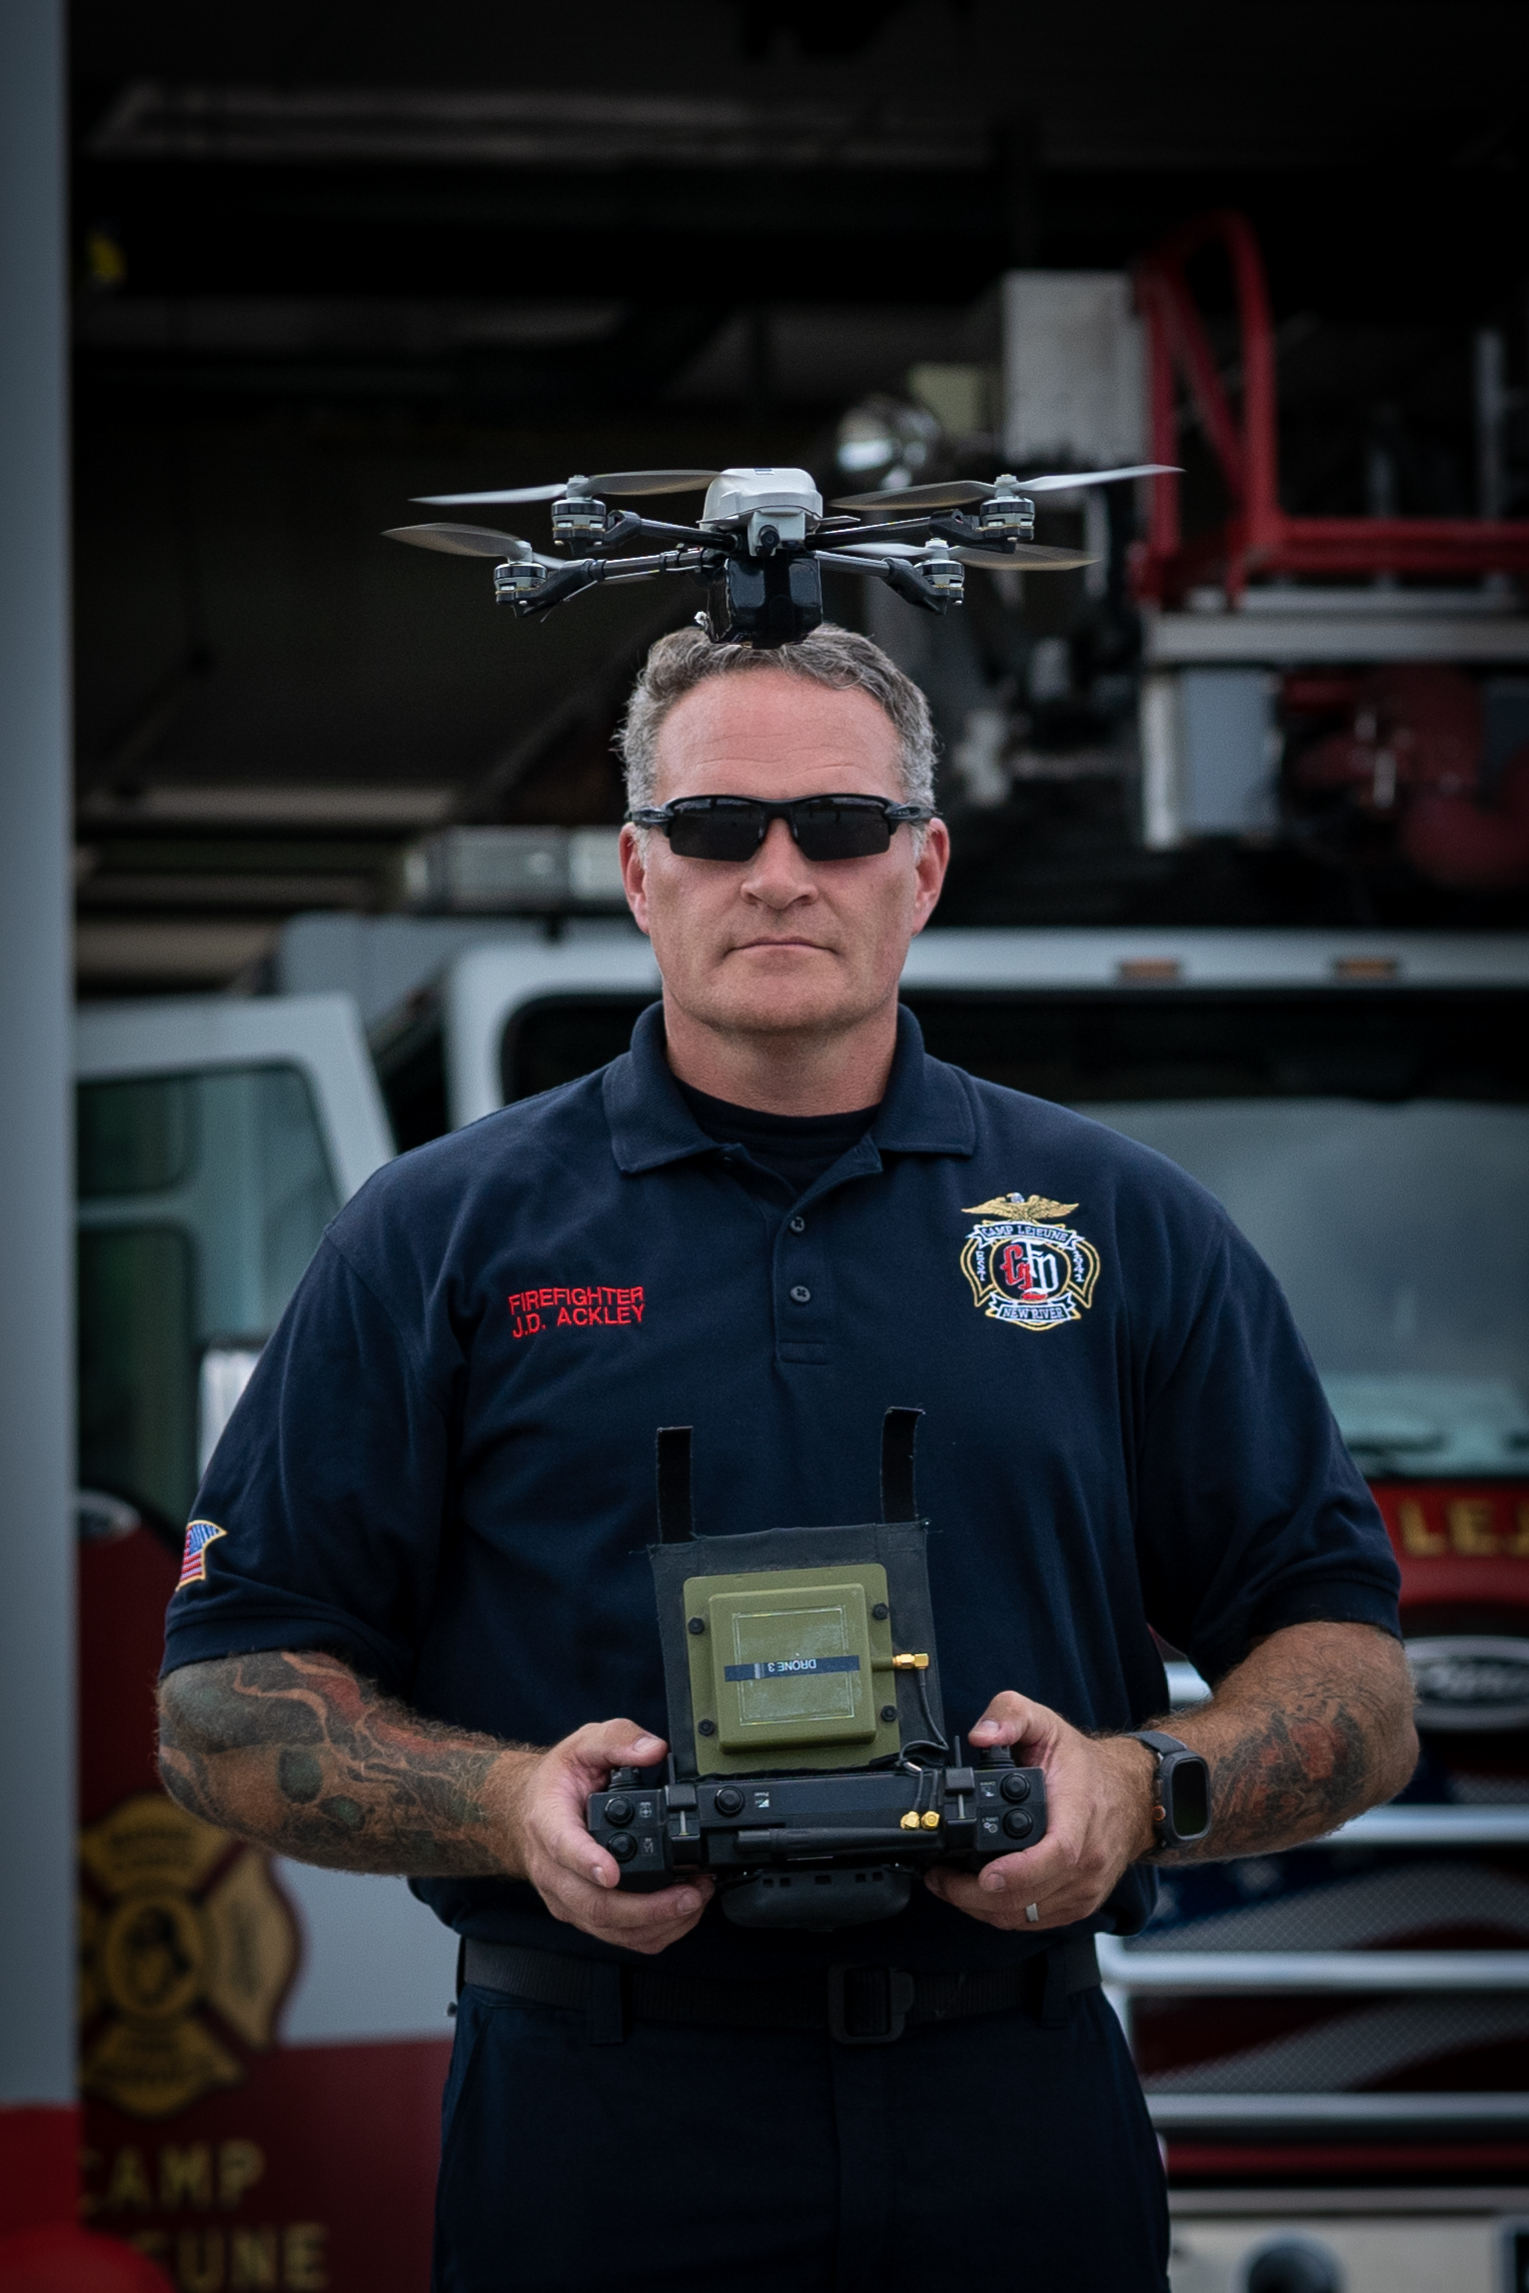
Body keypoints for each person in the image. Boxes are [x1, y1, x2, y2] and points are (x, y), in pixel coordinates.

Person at [157, 624, 1415, 2293]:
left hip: (1011, 2107)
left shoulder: (1117, 1227)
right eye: (712, 827)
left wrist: (1137, 1788)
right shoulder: (439, 1237)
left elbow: (1354, 1673)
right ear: (634, 869)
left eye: (833, 824)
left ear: (921, 865)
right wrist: (509, 1803)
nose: (776, 873)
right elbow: (220, 1702)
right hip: (599, 2121)